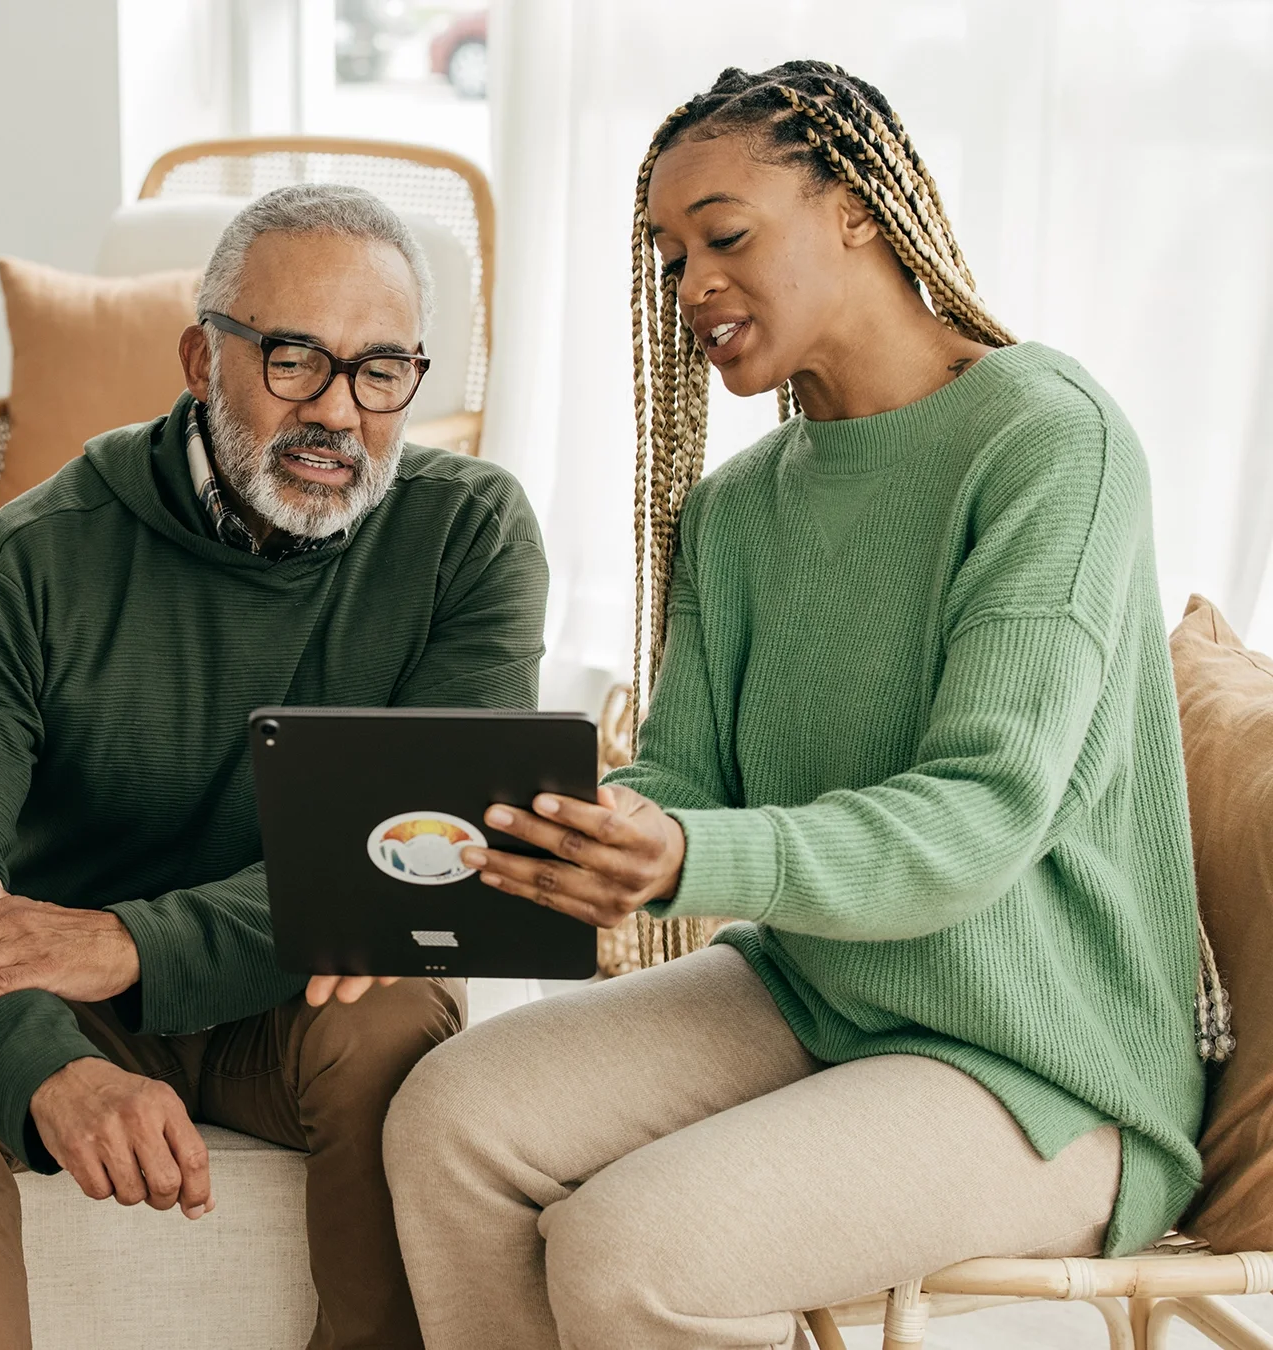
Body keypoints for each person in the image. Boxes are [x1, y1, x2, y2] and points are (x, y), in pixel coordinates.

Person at [381, 61, 1207, 1349]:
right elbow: (686, 782)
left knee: (629, 1248)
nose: (691, 284)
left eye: (725, 235)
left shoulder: (1046, 440)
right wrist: (585, 832)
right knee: (450, 1116)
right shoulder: (739, 505)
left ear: (857, 211)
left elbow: (983, 818)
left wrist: (688, 853)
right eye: (667, 257)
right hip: (820, 996)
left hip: (1041, 1066)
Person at [0, 183, 548, 1350]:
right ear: (198, 357)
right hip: (81, 1002)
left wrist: (130, 938)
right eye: (293, 360)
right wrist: (50, 1068)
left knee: (397, 1013)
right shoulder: (33, 558)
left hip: (303, 997)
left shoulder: (467, 535)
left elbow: (435, 859)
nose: (337, 411)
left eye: (380, 372)